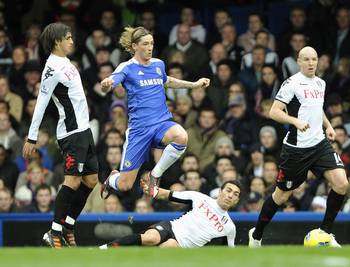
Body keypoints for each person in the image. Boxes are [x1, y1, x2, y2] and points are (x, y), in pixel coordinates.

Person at [248, 46, 348, 248]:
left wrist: (328, 126)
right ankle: (256, 234)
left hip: (319, 144)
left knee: (341, 184)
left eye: (314, 59)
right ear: (299, 62)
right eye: (307, 59)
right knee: (281, 196)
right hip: (296, 150)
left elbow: (317, 109)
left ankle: (325, 233)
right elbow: (274, 112)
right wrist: (295, 121)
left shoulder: (320, 83)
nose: (311, 63)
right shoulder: (291, 83)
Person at [100, 26, 209, 198]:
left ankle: (154, 175)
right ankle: (113, 178)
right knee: (125, 185)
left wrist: (193, 84)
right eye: (145, 44)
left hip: (161, 123)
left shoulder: (158, 64)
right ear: (135, 46)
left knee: (181, 136)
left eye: (151, 43)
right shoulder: (126, 67)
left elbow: (167, 81)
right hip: (139, 131)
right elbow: (111, 82)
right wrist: (106, 84)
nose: (150, 47)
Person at [22, 22, 99, 248]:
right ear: (57, 41)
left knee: (91, 180)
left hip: (84, 131)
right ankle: (54, 232)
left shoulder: (66, 63)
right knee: (73, 180)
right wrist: (32, 137)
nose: (72, 41)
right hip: (71, 133)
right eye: (68, 37)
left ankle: (68, 226)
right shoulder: (51, 69)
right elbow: (41, 103)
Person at [99, 179, 241, 249]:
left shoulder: (229, 227)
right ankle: (106, 248)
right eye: (228, 190)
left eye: (235, 194)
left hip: (181, 244)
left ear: (236, 200)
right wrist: (152, 190)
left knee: (167, 248)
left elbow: (229, 252)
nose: (230, 195)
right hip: (171, 227)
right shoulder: (199, 197)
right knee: (151, 238)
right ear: (220, 191)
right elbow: (168, 194)